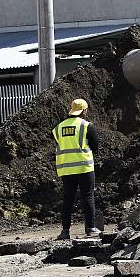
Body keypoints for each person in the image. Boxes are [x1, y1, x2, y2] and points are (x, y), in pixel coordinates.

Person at [53, 98, 99, 240]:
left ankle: (65, 231)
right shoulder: (86, 125)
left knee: (68, 199)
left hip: (66, 169)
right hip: (84, 167)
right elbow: (95, 146)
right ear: (84, 111)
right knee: (88, 196)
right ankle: (90, 228)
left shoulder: (58, 128)